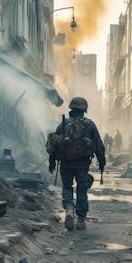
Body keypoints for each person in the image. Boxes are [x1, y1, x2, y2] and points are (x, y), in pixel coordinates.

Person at [49, 97, 106, 231]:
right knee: (82, 190)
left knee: (67, 188)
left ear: (71, 108)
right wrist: (102, 163)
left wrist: (53, 162)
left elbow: (54, 145)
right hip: (82, 164)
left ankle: (69, 208)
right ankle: (80, 219)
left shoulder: (62, 124)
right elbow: (99, 145)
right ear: (84, 110)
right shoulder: (89, 125)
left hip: (66, 163)